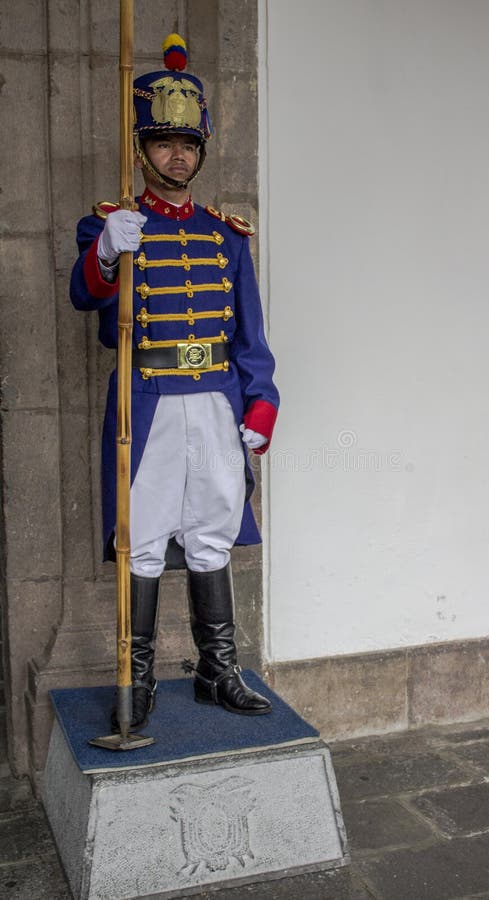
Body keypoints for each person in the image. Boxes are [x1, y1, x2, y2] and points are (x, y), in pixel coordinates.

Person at [70, 34, 279, 730]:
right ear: (141, 148)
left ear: (202, 149)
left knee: (212, 534)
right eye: (162, 142)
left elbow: (249, 336)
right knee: (147, 539)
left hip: (215, 404)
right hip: (149, 404)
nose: (176, 154)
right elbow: (87, 297)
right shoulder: (114, 225)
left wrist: (262, 400)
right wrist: (105, 252)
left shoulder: (227, 238)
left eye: (187, 142)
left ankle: (217, 672)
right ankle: (139, 681)